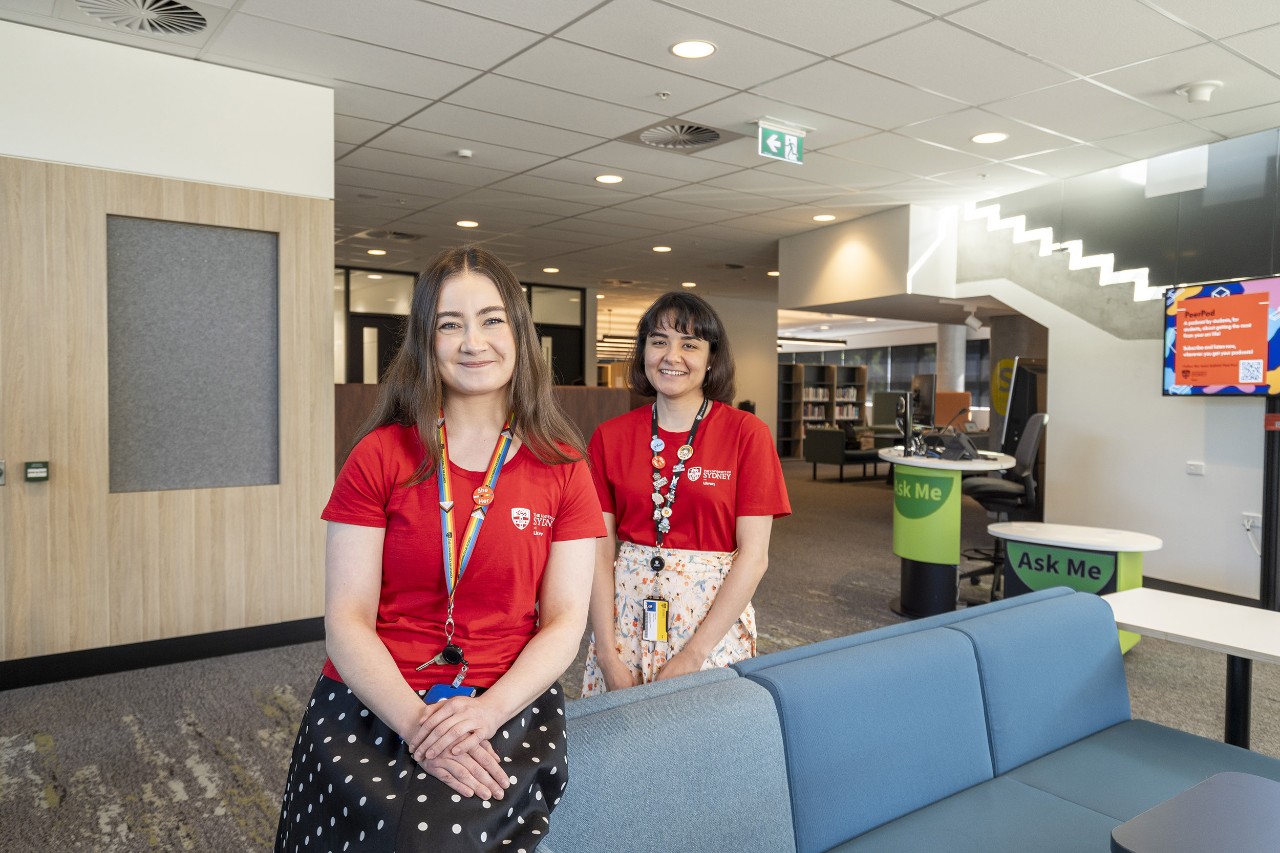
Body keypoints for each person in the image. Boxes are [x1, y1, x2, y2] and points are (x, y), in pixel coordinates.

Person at [275, 246, 604, 852]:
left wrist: (485, 712)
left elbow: (565, 622)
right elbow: (346, 621)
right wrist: (419, 724)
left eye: (491, 319)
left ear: (520, 334)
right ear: (426, 342)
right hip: (376, 698)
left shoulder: (563, 465)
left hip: (506, 701)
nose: (473, 341)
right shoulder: (379, 455)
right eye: (450, 324)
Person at [581, 293, 791, 695]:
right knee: (621, 744)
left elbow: (754, 556)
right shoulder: (611, 436)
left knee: (703, 746)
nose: (671, 355)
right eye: (658, 341)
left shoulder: (747, 434)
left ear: (712, 358)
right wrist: (607, 652)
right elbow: (599, 553)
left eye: (689, 344)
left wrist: (695, 654)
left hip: (709, 625)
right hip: (625, 620)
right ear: (643, 351)